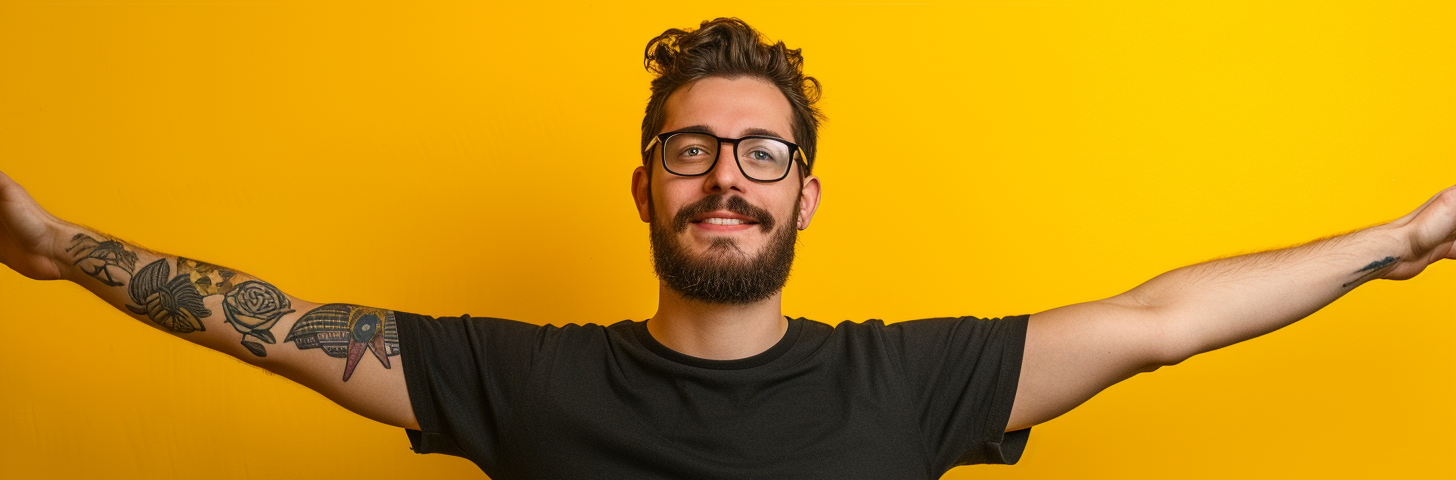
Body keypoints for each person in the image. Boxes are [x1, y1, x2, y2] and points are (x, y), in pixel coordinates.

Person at [1, 17, 1453, 480]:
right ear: (645, 189)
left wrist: (1396, 243)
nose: (728, 181)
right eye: (693, 149)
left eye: (764, 155)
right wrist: (58, 245)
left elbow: (1159, 317)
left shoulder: (916, 385)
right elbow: (271, 320)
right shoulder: (518, 384)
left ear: (804, 197)